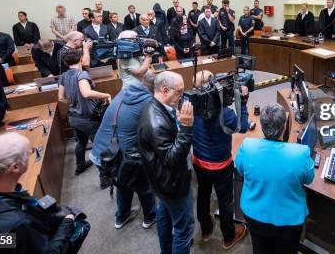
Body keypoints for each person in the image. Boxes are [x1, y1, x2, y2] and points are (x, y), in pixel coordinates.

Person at [0, 132, 89, 254]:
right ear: (15, 167)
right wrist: (68, 221)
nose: (31, 153)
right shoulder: (16, 224)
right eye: (29, 152)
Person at [235, 103, 314, 254]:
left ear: (262, 126)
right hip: (289, 222)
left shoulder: (247, 146)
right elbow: (309, 179)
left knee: (259, 248)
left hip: (253, 216)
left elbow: (240, 170)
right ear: (284, 127)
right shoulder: (301, 152)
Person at [138, 72, 195, 254]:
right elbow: (172, 158)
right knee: (184, 229)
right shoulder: (156, 122)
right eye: (180, 92)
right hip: (172, 184)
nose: (183, 96)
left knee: (164, 217)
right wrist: (185, 128)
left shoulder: (155, 106)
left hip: (160, 181)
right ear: (164, 90)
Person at [90, 72, 157, 228]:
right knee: (144, 186)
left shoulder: (123, 92)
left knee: (122, 183)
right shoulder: (148, 101)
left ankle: (121, 217)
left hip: (101, 153)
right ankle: (150, 217)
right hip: (124, 158)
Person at [192, 71, 249, 249]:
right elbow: (244, 127)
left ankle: (206, 230)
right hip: (221, 165)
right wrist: (244, 102)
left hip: (199, 162)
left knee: (203, 194)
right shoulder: (225, 113)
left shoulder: (190, 106)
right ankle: (229, 236)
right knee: (225, 201)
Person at [58, 48, 111, 177]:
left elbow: (60, 98)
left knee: (80, 142)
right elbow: (86, 93)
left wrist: (74, 102)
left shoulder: (63, 76)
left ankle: (80, 166)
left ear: (65, 63)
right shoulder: (82, 75)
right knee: (99, 146)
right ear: (81, 59)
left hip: (74, 117)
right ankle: (104, 178)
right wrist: (105, 95)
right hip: (88, 119)